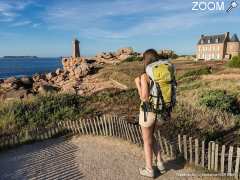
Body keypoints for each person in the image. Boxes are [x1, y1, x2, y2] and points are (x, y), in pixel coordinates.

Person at [135, 49, 176, 178]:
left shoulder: (145, 76)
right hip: (161, 111)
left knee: (147, 141)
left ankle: (149, 169)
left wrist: (138, 84)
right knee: (152, 136)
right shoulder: (162, 73)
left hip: (148, 112)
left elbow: (144, 97)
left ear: (146, 60)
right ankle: (160, 163)